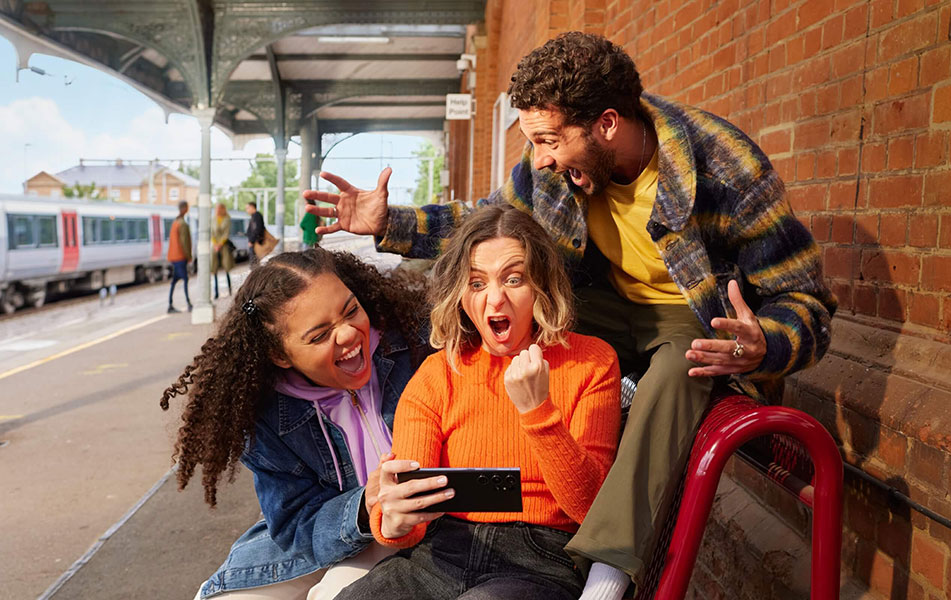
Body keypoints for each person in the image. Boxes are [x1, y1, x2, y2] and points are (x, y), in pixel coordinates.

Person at [305, 31, 836, 599]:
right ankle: (604, 404)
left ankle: (607, 570)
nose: (541, 159)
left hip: (690, 315)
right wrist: (392, 224)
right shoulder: (553, 170)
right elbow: (488, 226)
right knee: (514, 306)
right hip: (599, 306)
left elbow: (806, 301)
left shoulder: (726, 170)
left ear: (607, 124)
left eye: (549, 141)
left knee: (686, 364)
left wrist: (765, 343)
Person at [335, 205, 621, 600]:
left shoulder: (591, 361)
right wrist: (395, 517)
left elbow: (590, 509)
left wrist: (538, 413)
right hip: (440, 551)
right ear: (461, 296)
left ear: (541, 284)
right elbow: (407, 511)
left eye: (514, 279)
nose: (495, 299)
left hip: (539, 561)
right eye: (476, 283)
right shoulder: (438, 373)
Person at [160, 248, 431, 600]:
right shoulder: (264, 414)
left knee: (336, 592)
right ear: (280, 355)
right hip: (340, 533)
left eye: (351, 311)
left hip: (429, 526)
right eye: (319, 336)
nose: (348, 335)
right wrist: (367, 503)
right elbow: (296, 527)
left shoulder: (417, 345)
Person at [167, 200, 193, 313]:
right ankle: (188, 304)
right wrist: (189, 256)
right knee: (185, 279)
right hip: (180, 256)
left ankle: (170, 304)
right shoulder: (182, 224)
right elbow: (184, 242)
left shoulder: (175, 222)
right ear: (185, 208)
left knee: (175, 280)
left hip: (174, 256)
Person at [211, 203, 236, 298]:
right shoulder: (213, 219)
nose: (217, 210)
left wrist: (220, 244)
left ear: (222, 209)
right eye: (216, 208)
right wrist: (215, 244)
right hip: (214, 246)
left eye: (219, 208)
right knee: (214, 268)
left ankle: (230, 290)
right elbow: (211, 233)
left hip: (224, 246)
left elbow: (226, 233)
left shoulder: (227, 219)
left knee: (226, 268)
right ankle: (216, 293)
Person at [246, 201, 266, 268]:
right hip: (255, 242)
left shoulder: (257, 216)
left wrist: (251, 241)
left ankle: (256, 276)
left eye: (247, 208)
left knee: (254, 262)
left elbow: (257, 229)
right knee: (254, 262)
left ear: (252, 207)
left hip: (256, 243)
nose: (247, 210)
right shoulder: (254, 216)